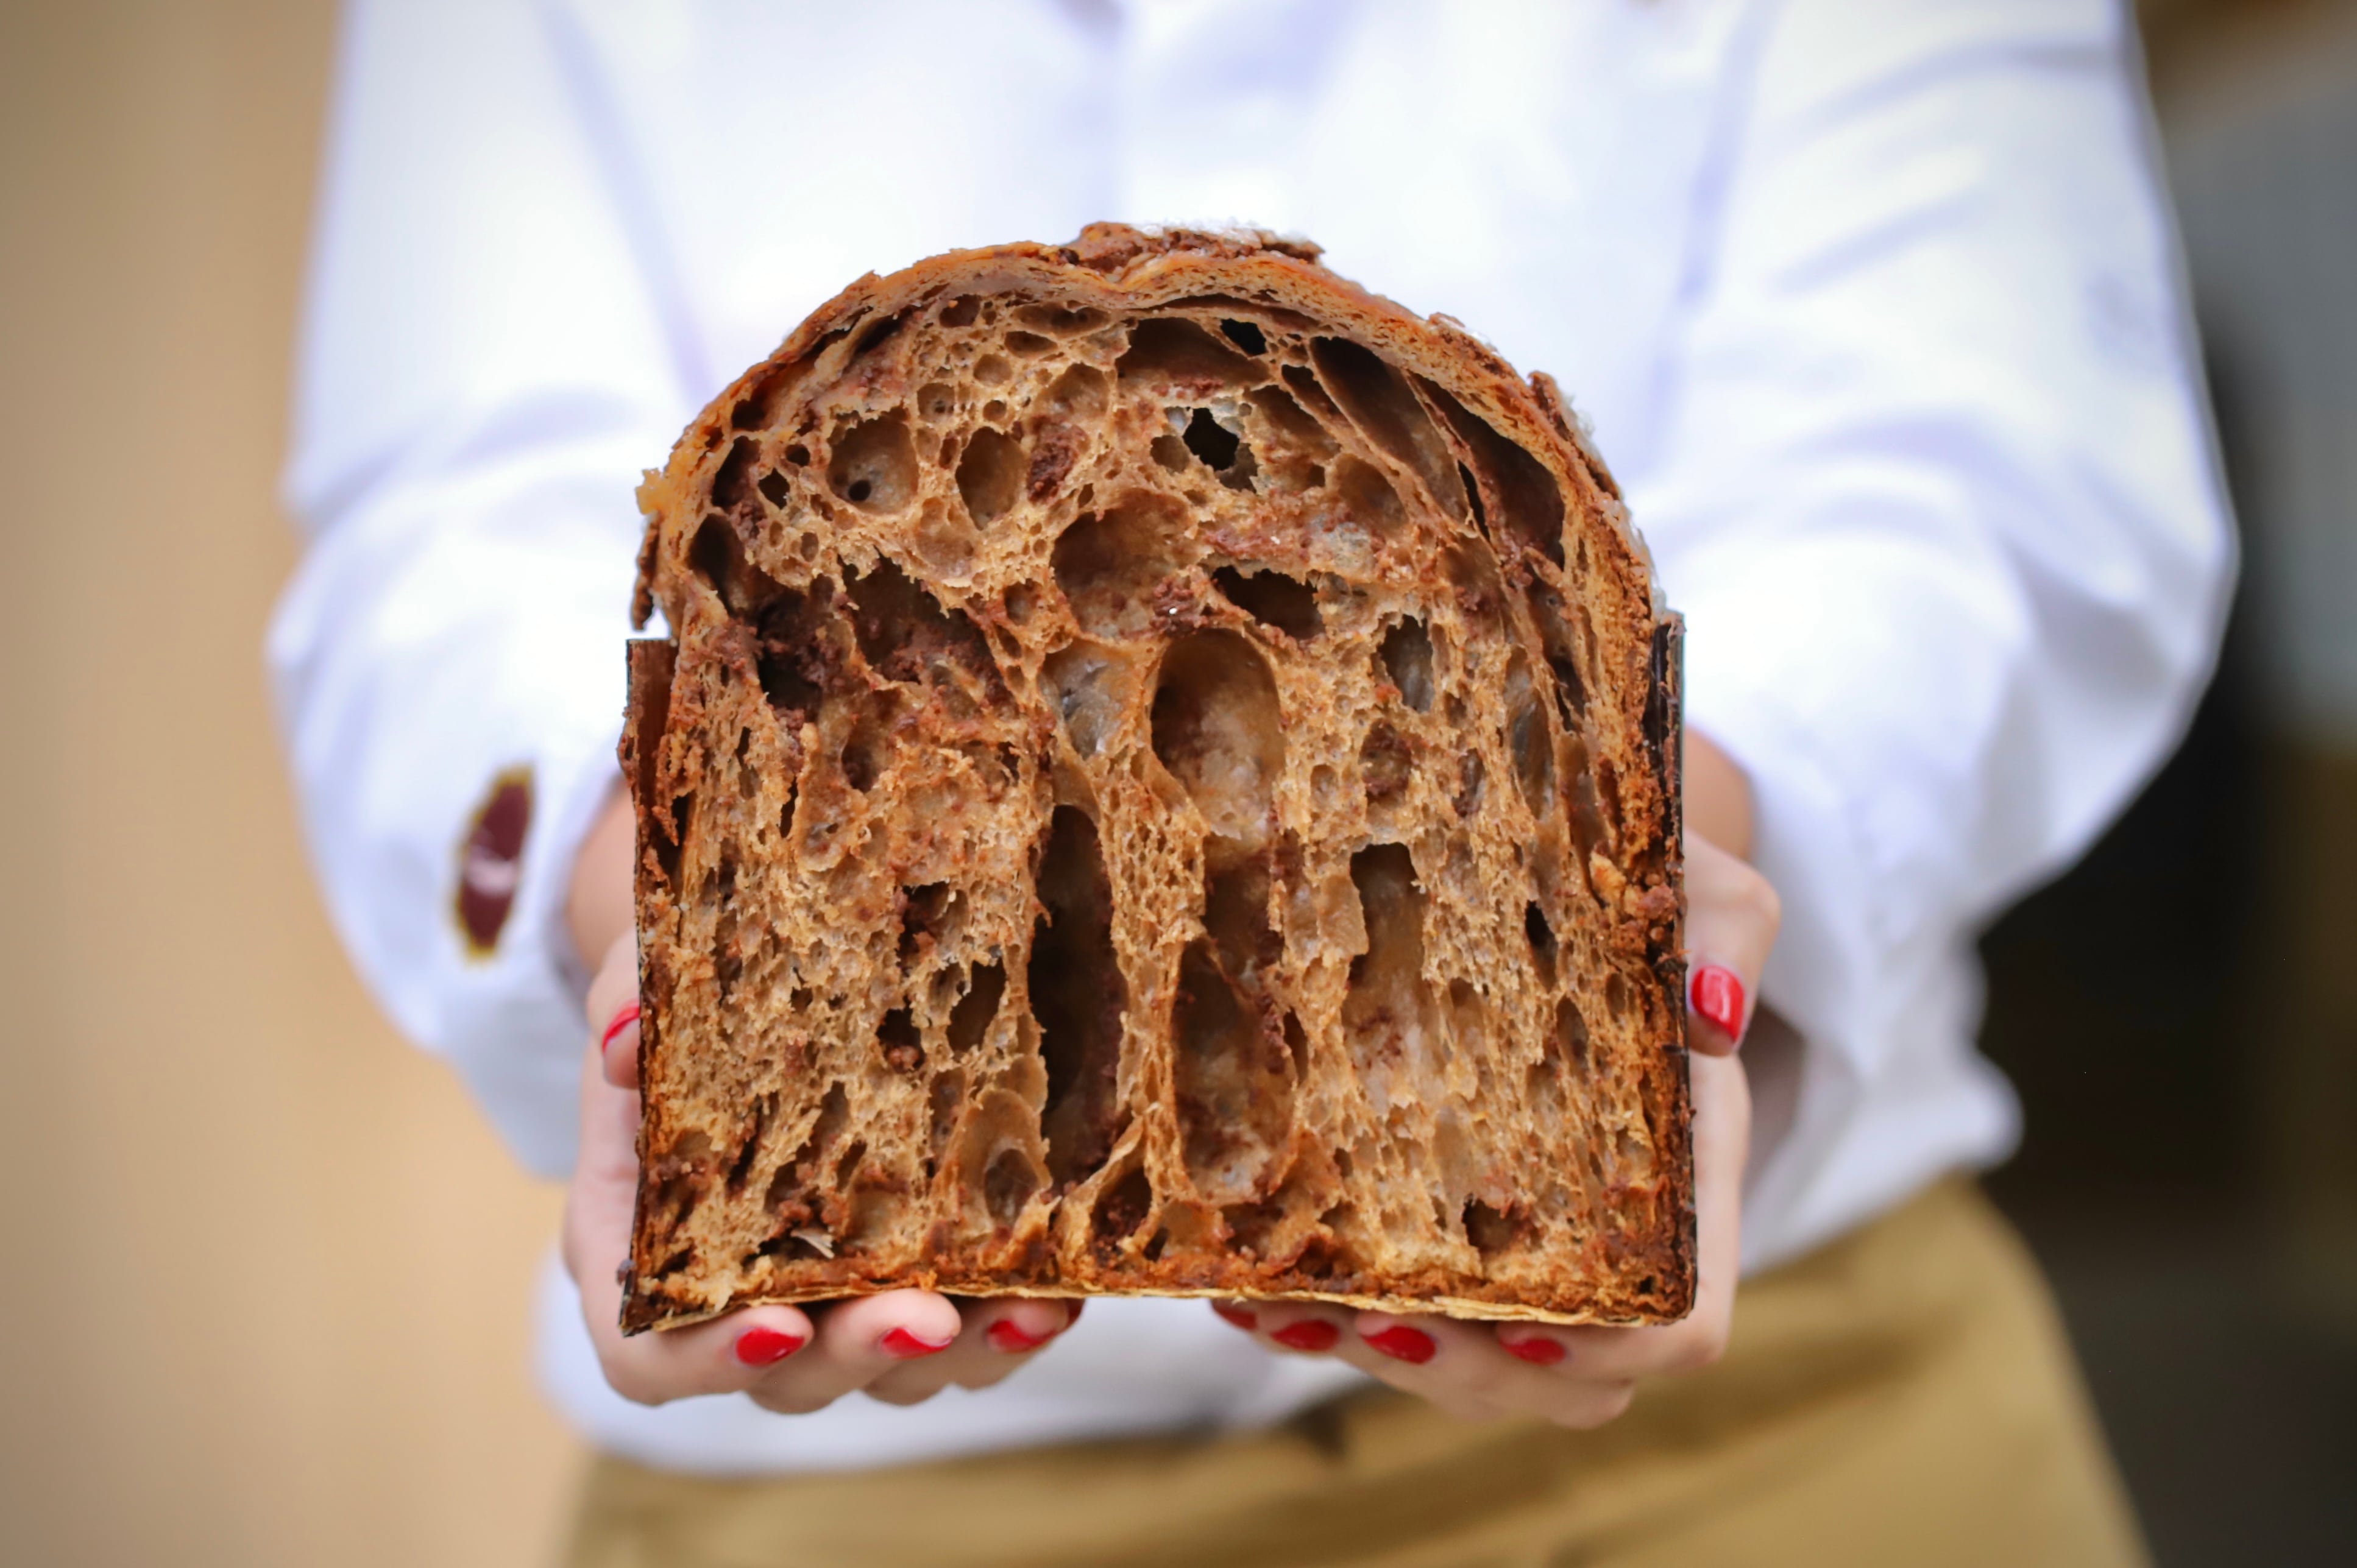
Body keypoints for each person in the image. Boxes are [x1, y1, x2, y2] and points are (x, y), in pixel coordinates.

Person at [271, 1, 2229, 1563]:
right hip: (862, 1519)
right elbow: (444, 526)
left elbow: (1985, 456)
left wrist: (1674, 854)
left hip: (1797, 1439)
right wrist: (652, 920)